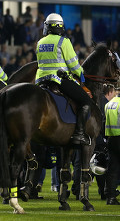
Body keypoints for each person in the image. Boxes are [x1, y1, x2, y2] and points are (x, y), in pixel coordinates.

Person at [35, 13, 90, 145]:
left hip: (40, 80)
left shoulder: (40, 42)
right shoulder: (64, 42)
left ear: (48, 27)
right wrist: (82, 75)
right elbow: (73, 64)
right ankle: (79, 134)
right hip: (58, 80)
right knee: (85, 101)